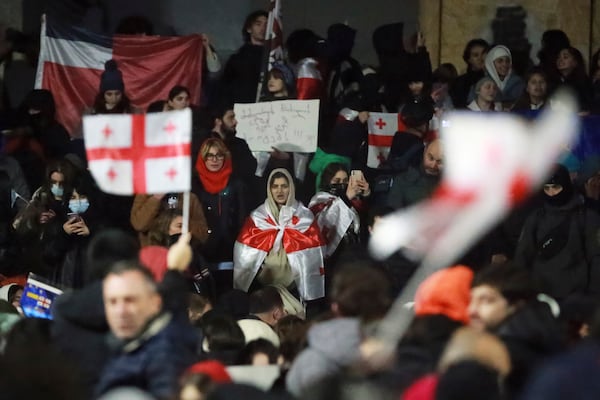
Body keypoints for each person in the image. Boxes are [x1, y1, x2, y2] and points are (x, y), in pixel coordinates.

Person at [95, 260, 198, 399]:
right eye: (112, 302)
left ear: (155, 303)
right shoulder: (119, 346)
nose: (121, 311)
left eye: (130, 300)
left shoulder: (166, 355)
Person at [468, 263, 563, 397]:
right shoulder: (542, 337)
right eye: (470, 300)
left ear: (515, 305)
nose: (472, 310)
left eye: (486, 300)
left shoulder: (507, 355)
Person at [234, 168, 324, 302]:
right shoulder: (257, 217)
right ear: (269, 189)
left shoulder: (305, 217)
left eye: (284, 186)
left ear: (291, 188)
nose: (279, 191)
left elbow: (316, 254)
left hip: (295, 288)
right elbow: (244, 254)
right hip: (264, 287)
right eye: (275, 186)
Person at [514, 164, 600, 301]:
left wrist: (594, 294)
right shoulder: (536, 217)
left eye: (556, 187)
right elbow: (523, 256)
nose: (552, 193)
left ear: (566, 185)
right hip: (541, 294)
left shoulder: (586, 216)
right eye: (547, 188)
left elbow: (596, 257)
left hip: (577, 295)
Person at [130, 191, 208, 247]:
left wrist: (184, 225)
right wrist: (156, 198)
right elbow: (139, 225)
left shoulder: (189, 198)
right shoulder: (145, 195)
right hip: (154, 255)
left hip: (182, 256)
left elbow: (203, 234)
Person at [221, 10, 267, 104]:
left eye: (266, 25)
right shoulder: (237, 58)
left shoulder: (274, 58)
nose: (263, 28)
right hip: (242, 108)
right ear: (249, 28)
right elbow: (225, 87)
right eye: (258, 24)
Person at [387, 138, 443, 210]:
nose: (433, 165)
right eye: (430, 158)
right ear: (425, 151)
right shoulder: (403, 180)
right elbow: (393, 214)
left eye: (440, 162)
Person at [450, 39, 490, 109]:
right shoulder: (460, 82)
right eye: (475, 55)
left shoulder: (496, 79)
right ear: (469, 59)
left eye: (483, 55)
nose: (480, 58)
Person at [554, 46, 592, 112]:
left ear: (575, 62)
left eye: (565, 57)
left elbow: (587, 107)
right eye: (558, 57)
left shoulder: (583, 82)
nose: (560, 60)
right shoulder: (555, 81)